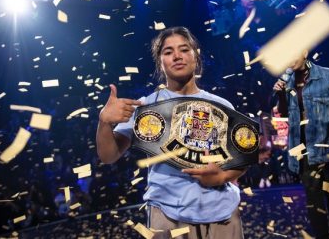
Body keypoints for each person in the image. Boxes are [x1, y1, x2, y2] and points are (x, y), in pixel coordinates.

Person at [96, 26, 245, 239]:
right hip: (167, 215)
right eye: (168, 52)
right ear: (161, 62)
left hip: (223, 214)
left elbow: (242, 158)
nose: (177, 56)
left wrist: (222, 176)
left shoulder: (221, 105)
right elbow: (108, 156)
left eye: (184, 49)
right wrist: (104, 122)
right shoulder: (145, 107)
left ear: (196, 55)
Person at [273, 51, 329, 239]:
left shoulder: (328, 76)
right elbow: (285, 113)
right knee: (314, 201)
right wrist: (280, 95)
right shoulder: (287, 82)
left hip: (327, 147)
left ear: (305, 52)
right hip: (302, 150)